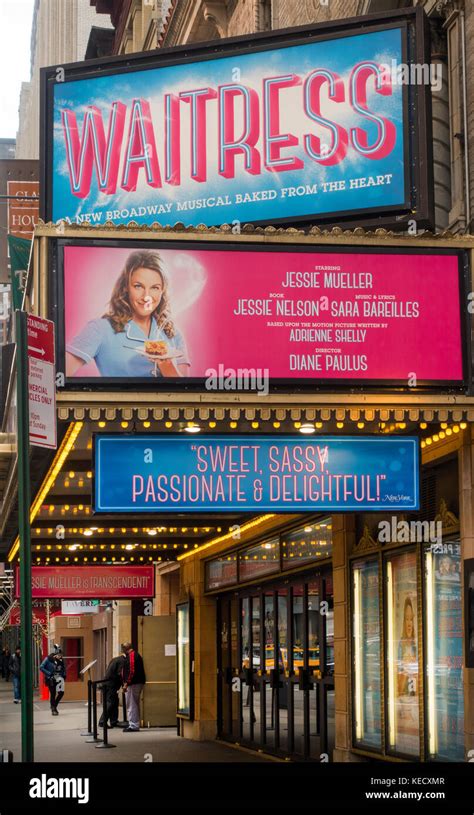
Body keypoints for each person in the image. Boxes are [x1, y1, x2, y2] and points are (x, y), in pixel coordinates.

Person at [65, 250, 190, 378]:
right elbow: (57, 375)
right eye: (138, 286)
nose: (146, 297)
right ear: (126, 287)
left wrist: (166, 364)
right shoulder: (100, 329)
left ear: (162, 291)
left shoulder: (173, 334)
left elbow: (185, 393)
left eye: (154, 287)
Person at [121, 641, 146, 732]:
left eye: (122, 649)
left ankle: (133, 725)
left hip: (133, 683)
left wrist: (126, 683)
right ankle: (134, 723)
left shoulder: (131, 655)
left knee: (131, 704)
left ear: (125, 648)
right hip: (136, 682)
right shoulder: (135, 655)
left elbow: (131, 670)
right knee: (134, 703)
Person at [98, 651, 126, 729]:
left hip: (108, 684)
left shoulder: (115, 659)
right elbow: (120, 674)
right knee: (110, 703)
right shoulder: (122, 661)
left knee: (114, 702)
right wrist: (125, 683)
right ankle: (102, 721)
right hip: (111, 685)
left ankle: (114, 721)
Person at [397, 596, 417, 696]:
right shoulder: (401, 644)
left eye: (411, 619)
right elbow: (398, 685)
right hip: (404, 694)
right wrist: (405, 668)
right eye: (406, 619)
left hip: (413, 692)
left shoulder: (415, 645)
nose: (409, 623)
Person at [40, 651, 66, 715]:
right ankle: (53, 709)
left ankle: (54, 706)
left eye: (61, 656)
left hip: (59, 678)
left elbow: (63, 668)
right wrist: (49, 673)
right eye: (59, 655)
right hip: (51, 678)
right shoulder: (48, 659)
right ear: (55, 655)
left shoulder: (60, 660)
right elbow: (41, 667)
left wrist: (64, 675)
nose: (60, 657)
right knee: (53, 694)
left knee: (61, 693)